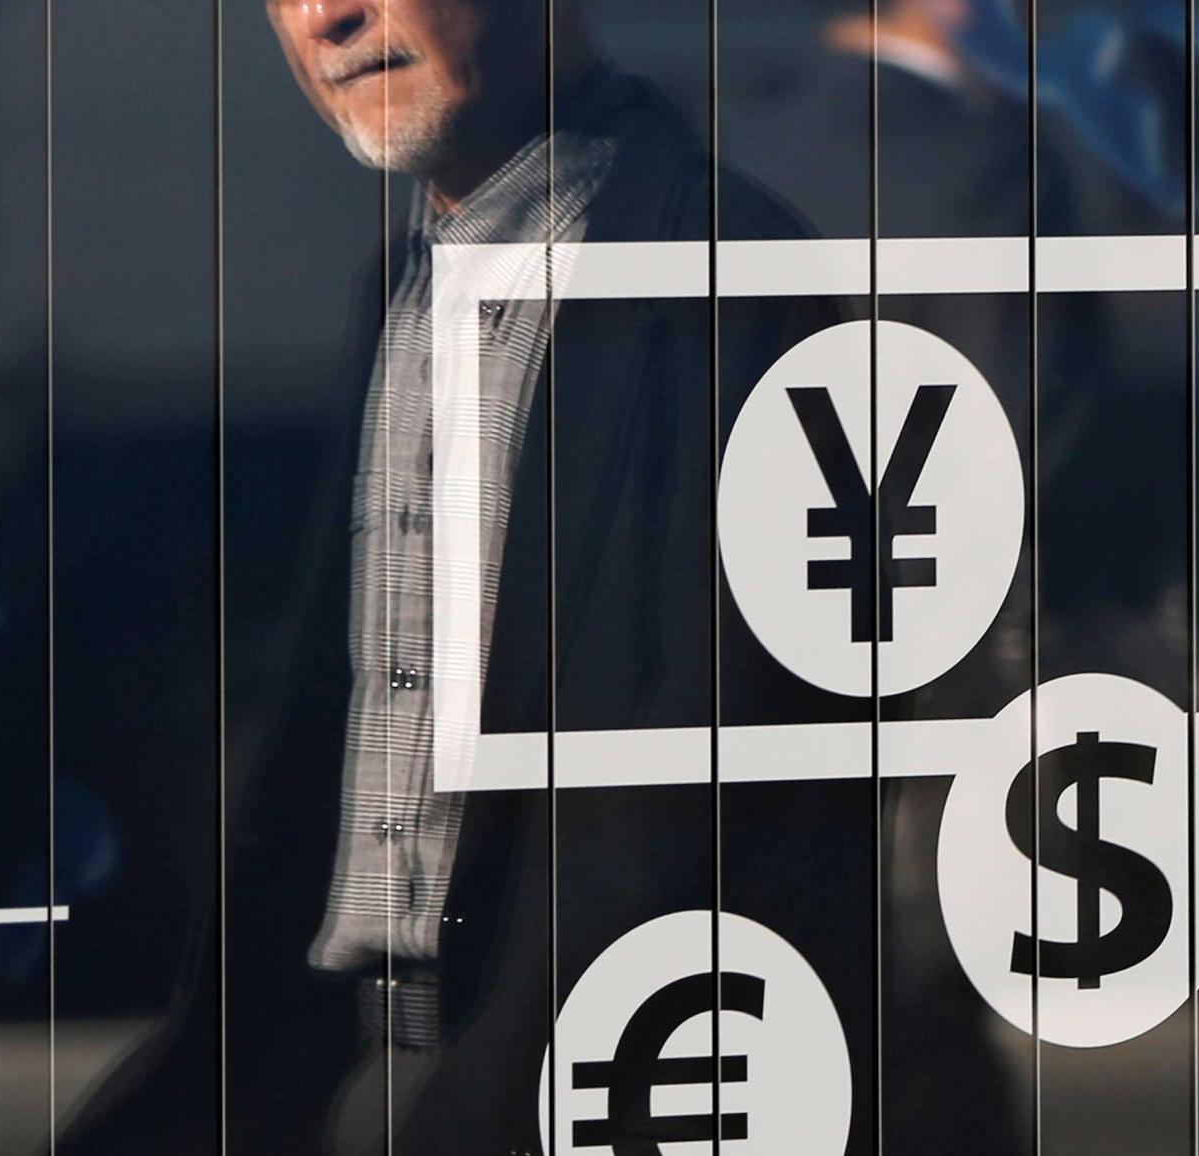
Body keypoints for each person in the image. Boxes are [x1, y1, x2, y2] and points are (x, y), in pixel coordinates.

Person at [57, 2, 831, 1153]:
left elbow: (726, 801)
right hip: (370, 1063)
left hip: (569, 1079)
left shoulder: (729, 275)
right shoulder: (404, 286)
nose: (327, 18)